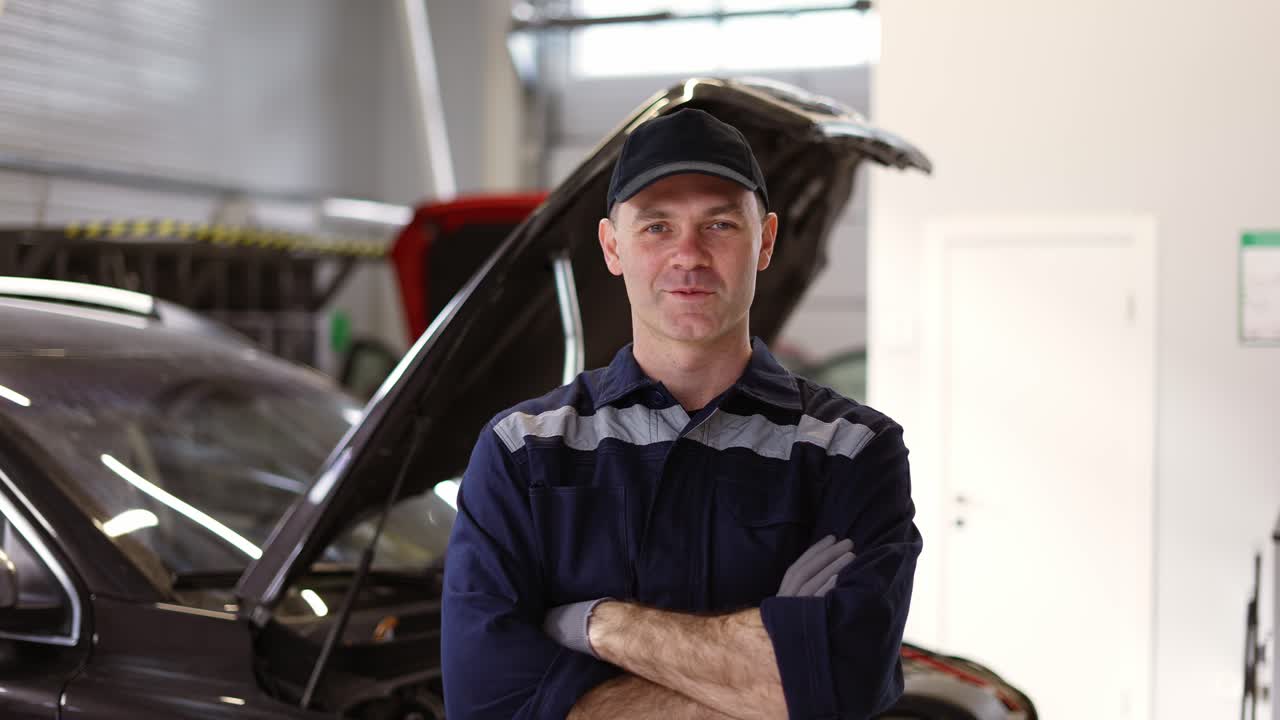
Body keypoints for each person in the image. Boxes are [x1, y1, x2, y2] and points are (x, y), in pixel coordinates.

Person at [441, 108, 922, 719]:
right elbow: (487, 704)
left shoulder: (852, 450)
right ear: (612, 247)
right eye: (657, 227)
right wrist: (772, 671)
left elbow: (844, 685)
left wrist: (598, 624)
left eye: (719, 224)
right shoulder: (523, 450)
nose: (688, 255)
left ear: (766, 241)